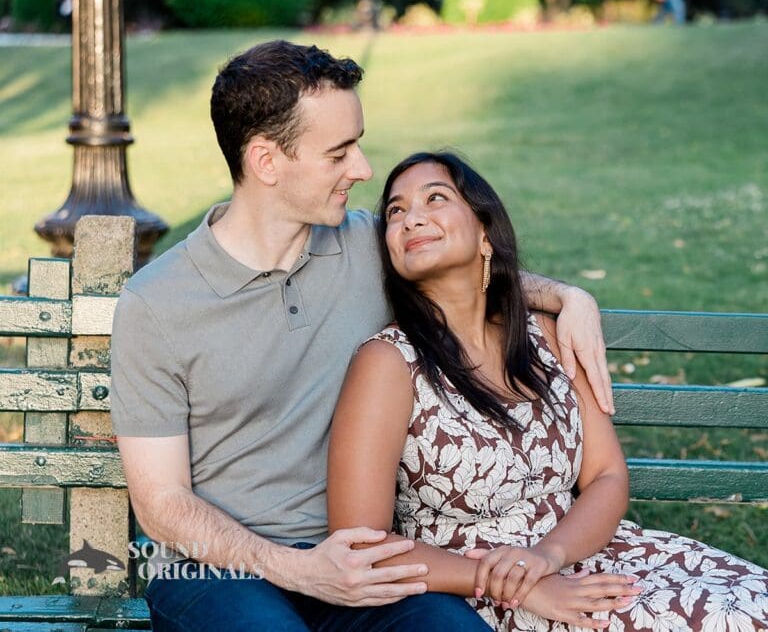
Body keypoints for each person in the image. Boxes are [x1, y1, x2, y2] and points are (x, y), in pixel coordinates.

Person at [110, 41, 613, 631]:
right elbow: (162, 504)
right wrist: (296, 570)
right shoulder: (156, 304)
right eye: (339, 152)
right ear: (267, 162)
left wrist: (567, 297)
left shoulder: (365, 249)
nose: (363, 169)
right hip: (222, 573)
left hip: (369, 561)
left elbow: (467, 271)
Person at [328, 151, 768, 631]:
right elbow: (361, 547)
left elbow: (607, 475)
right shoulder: (389, 362)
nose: (411, 218)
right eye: (396, 211)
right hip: (467, 587)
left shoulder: (543, 336)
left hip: (577, 553)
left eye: (435, 199)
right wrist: (517, 583)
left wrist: (550, 555)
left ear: (484, 232)